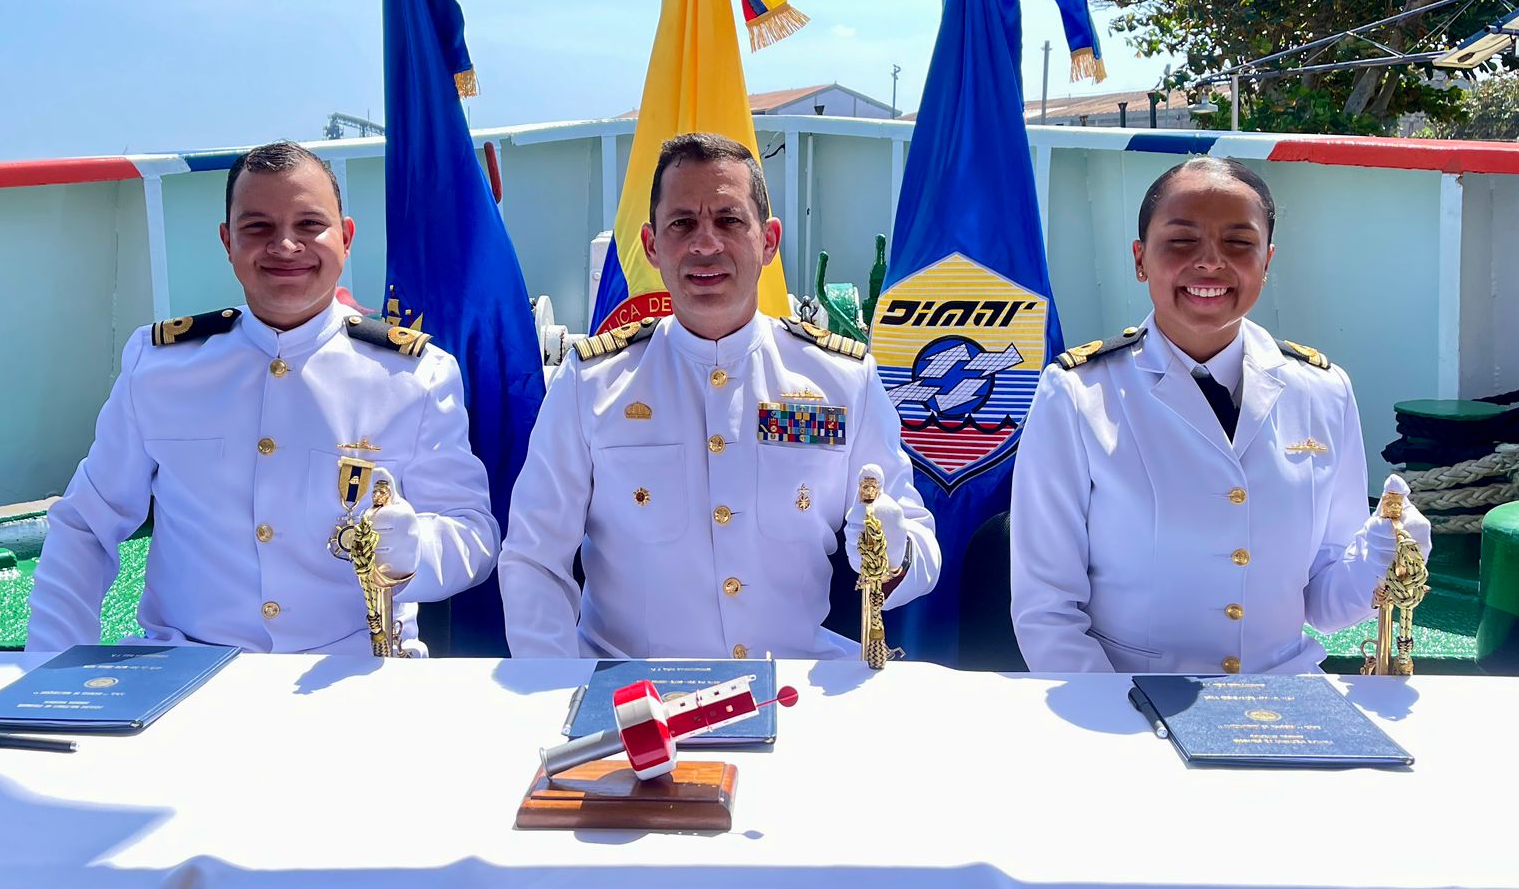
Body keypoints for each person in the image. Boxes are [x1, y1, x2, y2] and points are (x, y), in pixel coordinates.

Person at [26, 141, 498, 655]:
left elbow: (472, 536)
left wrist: (409, 550)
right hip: (187, 667)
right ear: (228, 242)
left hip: (350, 674)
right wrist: (52, 667)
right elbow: (85, 525)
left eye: (309, 224)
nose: (286, 246)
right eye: (258, 228)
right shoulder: (160, 367)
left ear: (346, 237)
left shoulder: (415, 375)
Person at [500, 132, 940, 659]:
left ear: (769, 241)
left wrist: (892, 555)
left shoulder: (842, 382)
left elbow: (920, 551)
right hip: (633, 704)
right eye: (682, 223)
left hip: (792, 693)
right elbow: (535, 558)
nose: (705, 243)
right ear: (652, 245)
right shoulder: (591, 384)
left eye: (729, 221)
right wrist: (559, 691)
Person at [1009, 156, 1431, 674]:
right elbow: (1046, 609)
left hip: (1285, 703)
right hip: (1132, 707)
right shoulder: (1078, 394)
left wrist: (1381, 559)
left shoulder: (1323, 392)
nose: (1210, 263)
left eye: (1238, 242)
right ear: (1140, 259)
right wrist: (1118, 713)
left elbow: (1323, 602)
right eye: (1182, 241)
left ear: (1267, 260)